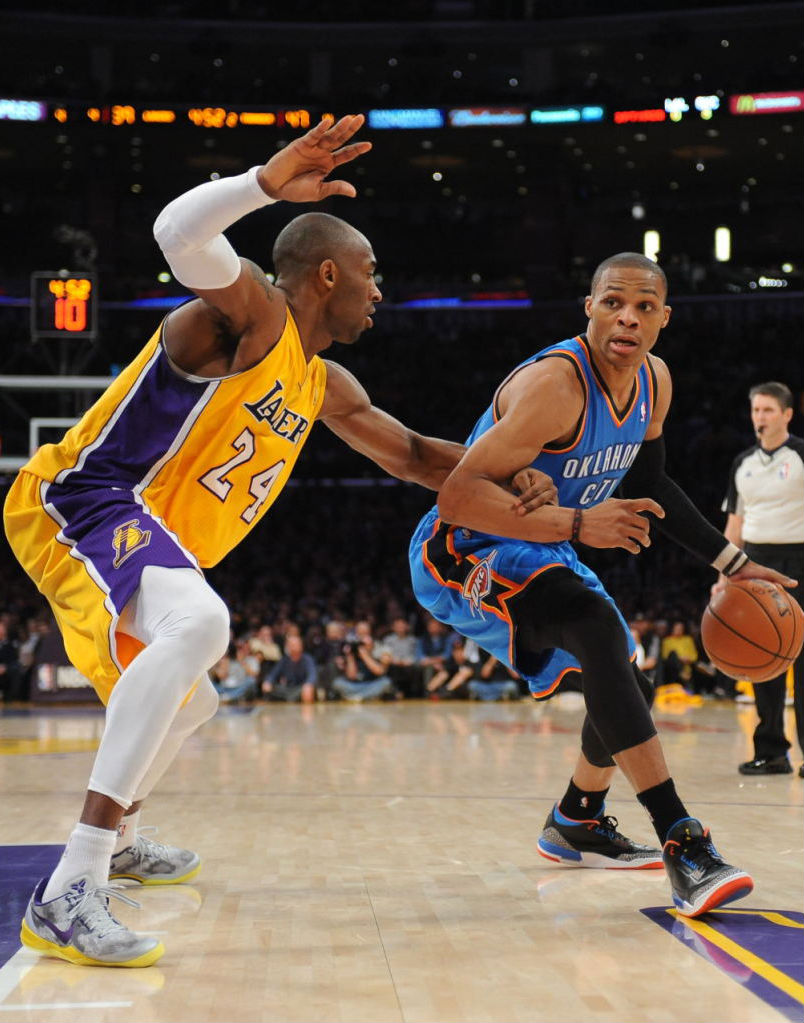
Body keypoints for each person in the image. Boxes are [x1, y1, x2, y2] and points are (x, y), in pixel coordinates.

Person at [3, 114, 554, 968]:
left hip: (136, 529)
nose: (380, 291)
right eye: (370, 274)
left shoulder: (321, 378)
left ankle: (119, 843)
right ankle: (70, 888)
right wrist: (264, 184)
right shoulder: (251, 313)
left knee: (197, 699)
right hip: (86, 498)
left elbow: (411, 455)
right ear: (326, 272)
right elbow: (175, 233)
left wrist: (508, 468)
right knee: (203, 628)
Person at [410, 252, 797, 917]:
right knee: (593, 625)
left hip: (545, 541)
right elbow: (457, 498)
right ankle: (683, 840)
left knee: (628, 681)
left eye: (645, 306)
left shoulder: (655, 382)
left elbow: (649, 485)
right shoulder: (557, 386)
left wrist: (732, 562)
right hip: (465, 547)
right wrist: (578, 520)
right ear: (588, 307)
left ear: (664, 318)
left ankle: (577, 816)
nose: (628, 317)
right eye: (614, 301)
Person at [717, 381, 804, 777]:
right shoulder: (742, 463)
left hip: (799, 557)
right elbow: (734, 523)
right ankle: (771, 752)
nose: (760, 418)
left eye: (768, 410)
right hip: (754, 562)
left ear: (787, 414)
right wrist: (722, 574)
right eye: (756, 410)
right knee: (764, 659)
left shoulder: (801, 455)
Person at [262, 634, 317, 703]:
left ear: (301, 646)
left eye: (295, 645)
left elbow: (312, 675)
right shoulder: (284, 660)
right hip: (287, 688)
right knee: (269, 688)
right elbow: (273, 674)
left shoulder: (307, 659)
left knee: (308, 690)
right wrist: (268, 681)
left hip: (300, 688)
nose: (293, 647)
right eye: (291, 645)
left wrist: (308, 684)